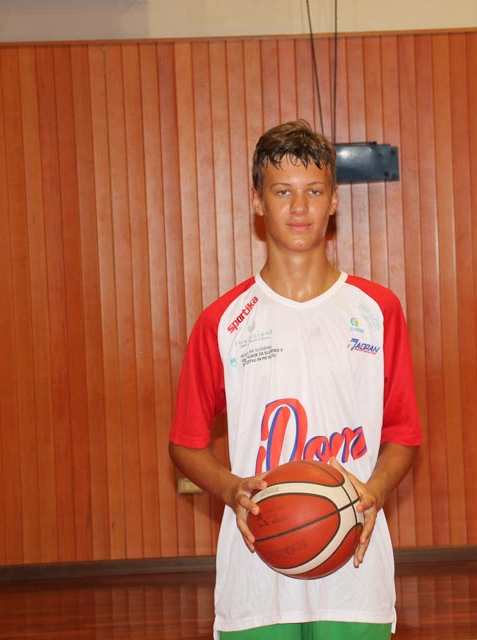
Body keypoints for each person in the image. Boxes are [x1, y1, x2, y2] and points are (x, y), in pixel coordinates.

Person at [169, 120, 422, 640]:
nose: (300, 207)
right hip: (257, 577)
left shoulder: (377, 311)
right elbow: (185, 443)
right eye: (283, 192)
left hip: (355, 569)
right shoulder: (224, 321)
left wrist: (372, 494)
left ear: (334, 200)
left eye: (314, 191)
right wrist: (232, 488)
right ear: (258, 201)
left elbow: (404, 435)